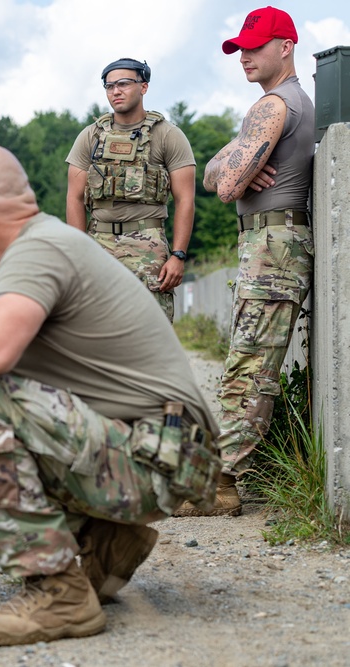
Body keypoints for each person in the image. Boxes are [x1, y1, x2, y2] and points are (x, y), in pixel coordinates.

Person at [0, 145, 220, 645]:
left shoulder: (37, 250)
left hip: (159, 458)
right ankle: (105, 541)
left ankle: (58, 595)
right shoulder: (46, 241)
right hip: (168, 452)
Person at [176, 6, 314, 517]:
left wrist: (233, 164)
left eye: (255, 47)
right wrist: (232, 161)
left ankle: (223, 483)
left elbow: (226, 183)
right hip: (269, 243)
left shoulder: (272, 106)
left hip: (274, 244)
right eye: (240, 49)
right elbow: (217, 171)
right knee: (248, 363)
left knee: (249, 368)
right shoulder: (279, 107)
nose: (245, 57)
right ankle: (228, 473)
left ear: (286, 46)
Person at [66, 58, 195, 322]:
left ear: (144, 87)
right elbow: (74, 198)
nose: (116, 91)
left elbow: (185, 199)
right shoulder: (91, 136)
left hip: (148, 244)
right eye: (109, 85)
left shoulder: (167, 135)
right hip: (98, 244)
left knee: (151, 333)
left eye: (124, 83)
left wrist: (178, 255)